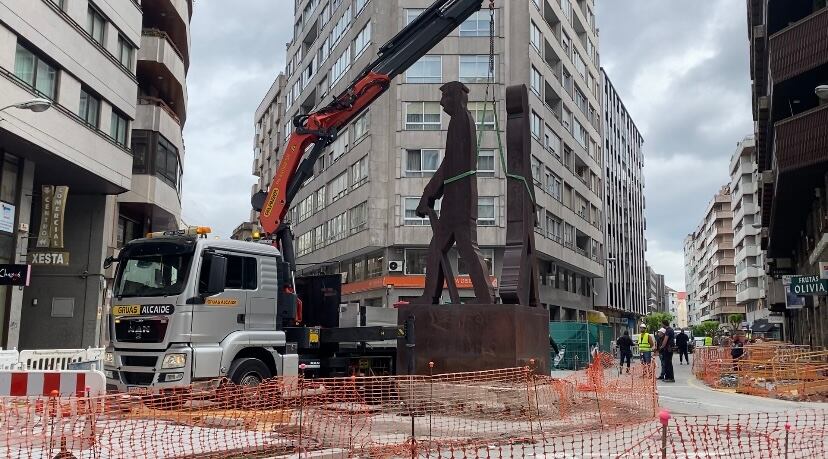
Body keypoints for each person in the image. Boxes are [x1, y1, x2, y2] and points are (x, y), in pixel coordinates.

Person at [413, 81, 494, 304]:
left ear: (457, 97)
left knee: (465, 248)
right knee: (440, 249)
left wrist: (428, 194)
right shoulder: (462, 120)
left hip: (458, 200)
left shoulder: (460, 121)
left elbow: (450, 164)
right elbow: (451, 165)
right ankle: (432, 296)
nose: (441, 103)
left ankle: (484, 298)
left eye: (445, 97)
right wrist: (430, 194)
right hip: (457, 198)